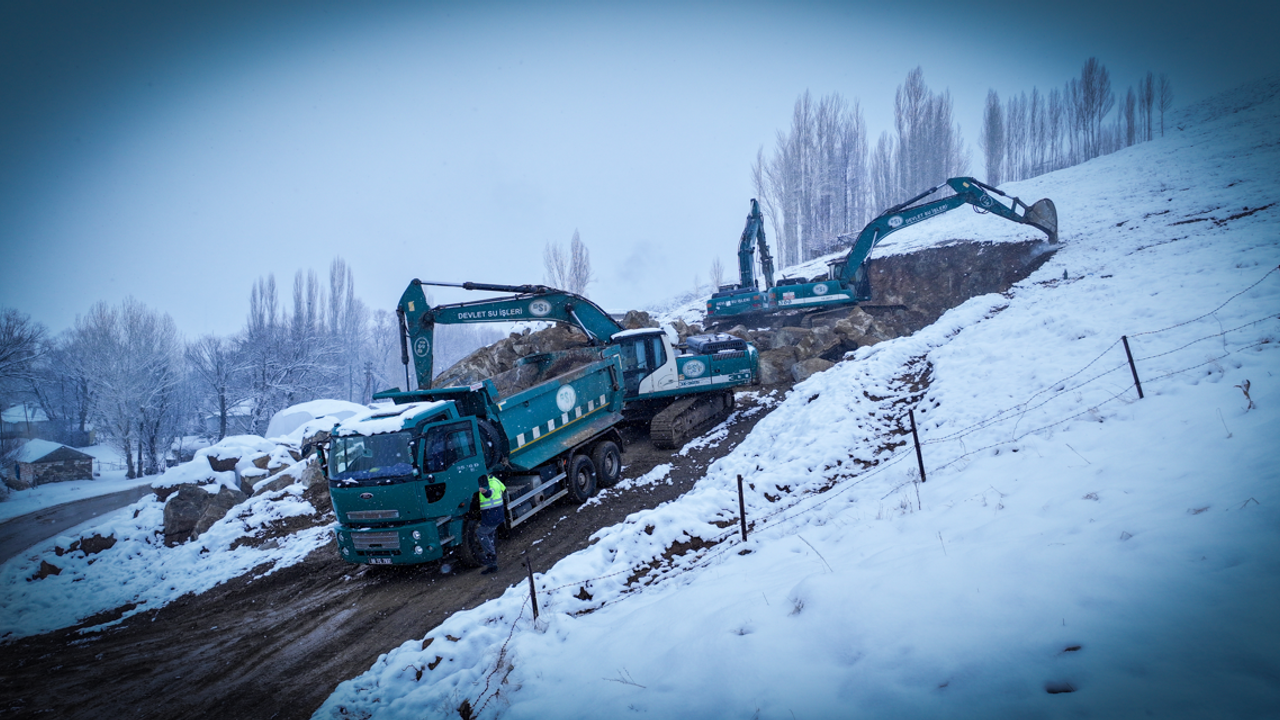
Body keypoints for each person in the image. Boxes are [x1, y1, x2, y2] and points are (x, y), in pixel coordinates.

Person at [476, 474, 506, 574]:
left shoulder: (492, 483)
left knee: (481, 533)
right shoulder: (494, 480)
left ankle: (491, 555)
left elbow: (490, 493)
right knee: (490, 537)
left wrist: (485, 492)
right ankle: (492, 566)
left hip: (492, 516)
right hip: (493, 515)